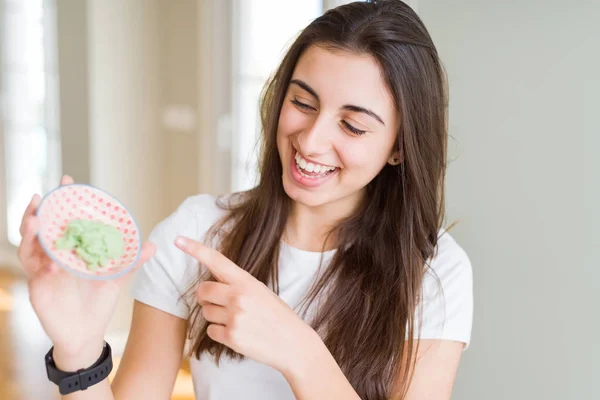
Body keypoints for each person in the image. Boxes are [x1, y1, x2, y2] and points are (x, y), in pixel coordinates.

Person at [17, 1, 473, 399]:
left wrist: (300, 351)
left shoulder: (434, 273)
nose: (311, 141)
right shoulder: (195, 233)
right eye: (302, 102)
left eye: (352, 126)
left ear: (399, 146)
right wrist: (76, 349)